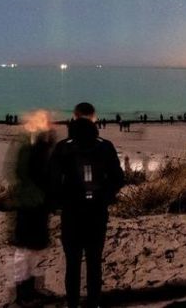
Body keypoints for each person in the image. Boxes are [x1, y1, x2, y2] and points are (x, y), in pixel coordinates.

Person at [48, 102, 125, 308]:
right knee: (94, 262)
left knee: (72, 264)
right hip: (97, 212)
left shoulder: (63, 147)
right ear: (94, 118)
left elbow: (52, 180)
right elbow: (118, 178)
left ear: (74, 118)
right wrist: (105, 197)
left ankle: (73, 304)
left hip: (72, 212)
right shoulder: (105, 146)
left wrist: (60, 201)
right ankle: (93, 303)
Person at [7, 110, 56, 305]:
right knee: (26, 248)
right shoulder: (27, 147)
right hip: (29, 203)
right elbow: (28, 173)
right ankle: (23, 291)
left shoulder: (31, 146)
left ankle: (31, 288)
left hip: (35, 203)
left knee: (33, 247)